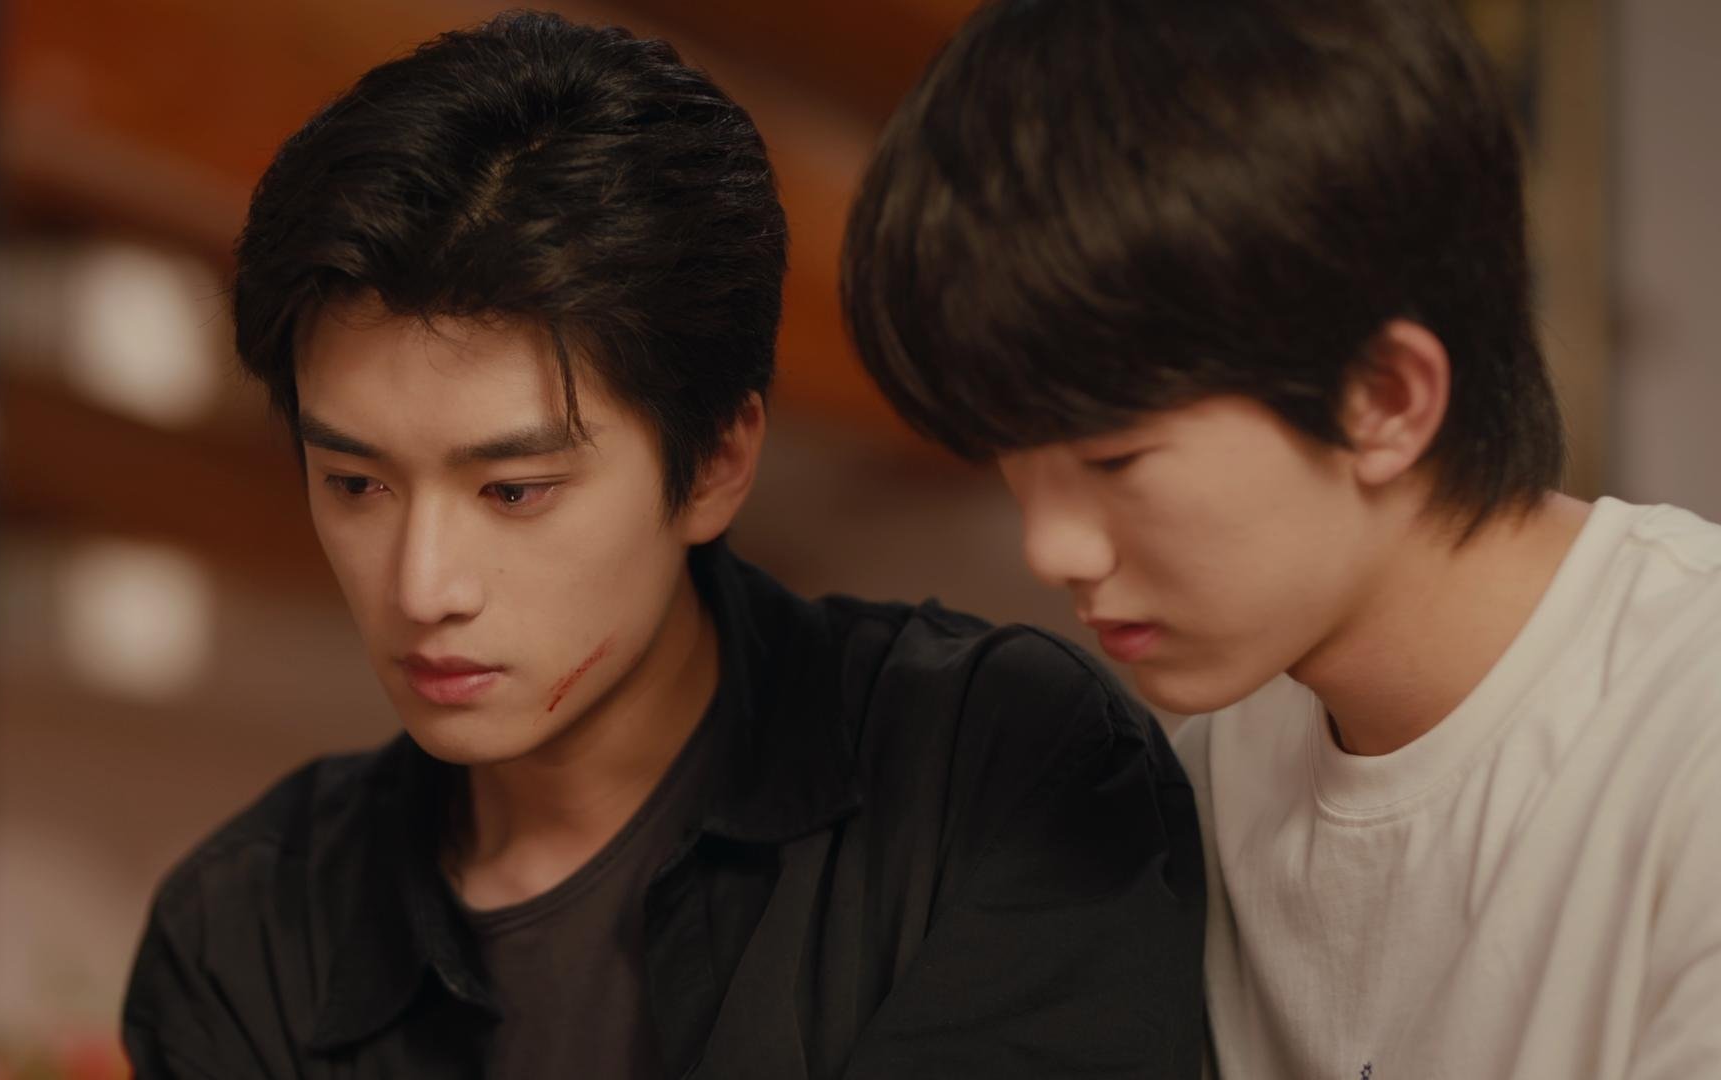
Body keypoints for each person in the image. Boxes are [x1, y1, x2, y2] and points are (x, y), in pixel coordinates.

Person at [121, 11, 1204, 1079]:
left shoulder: (992, 770)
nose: (422, 586)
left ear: (719, 460)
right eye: (357, 484)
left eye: (514, 491)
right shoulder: (242, 939)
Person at [842, 1, 1721, 1077]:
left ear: (1385, 398)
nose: (1051, 550)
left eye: (1114, 460)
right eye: (1010, 461)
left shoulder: (1689, 734)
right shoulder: (1216, 762)